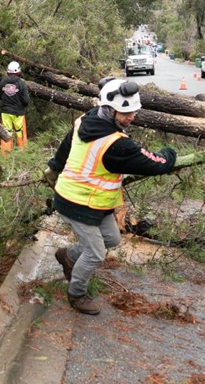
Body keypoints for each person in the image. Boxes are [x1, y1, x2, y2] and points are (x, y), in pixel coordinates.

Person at [43, 78, 177, 315]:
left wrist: (54, 167)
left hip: (93, 203)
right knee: (95, 253)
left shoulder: (86, 119)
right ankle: (77, 294)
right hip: (76, 203)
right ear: (109, 108)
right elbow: (158, 164)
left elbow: (64, 149)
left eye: (133, 112)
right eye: (124, 113)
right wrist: (170, 153)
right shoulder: (117, 145)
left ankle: (68, 256)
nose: (130, 118)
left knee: (111, 239)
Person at [0, 61, 30, 154]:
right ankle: (23, 154)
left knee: (6, 133)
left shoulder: (2, 82)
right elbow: (26, 101)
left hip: (5, 113)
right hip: (18, 113)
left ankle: (5, 155)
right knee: (20, 133)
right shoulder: (22, 83)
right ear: (18, 71)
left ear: (8, 71)